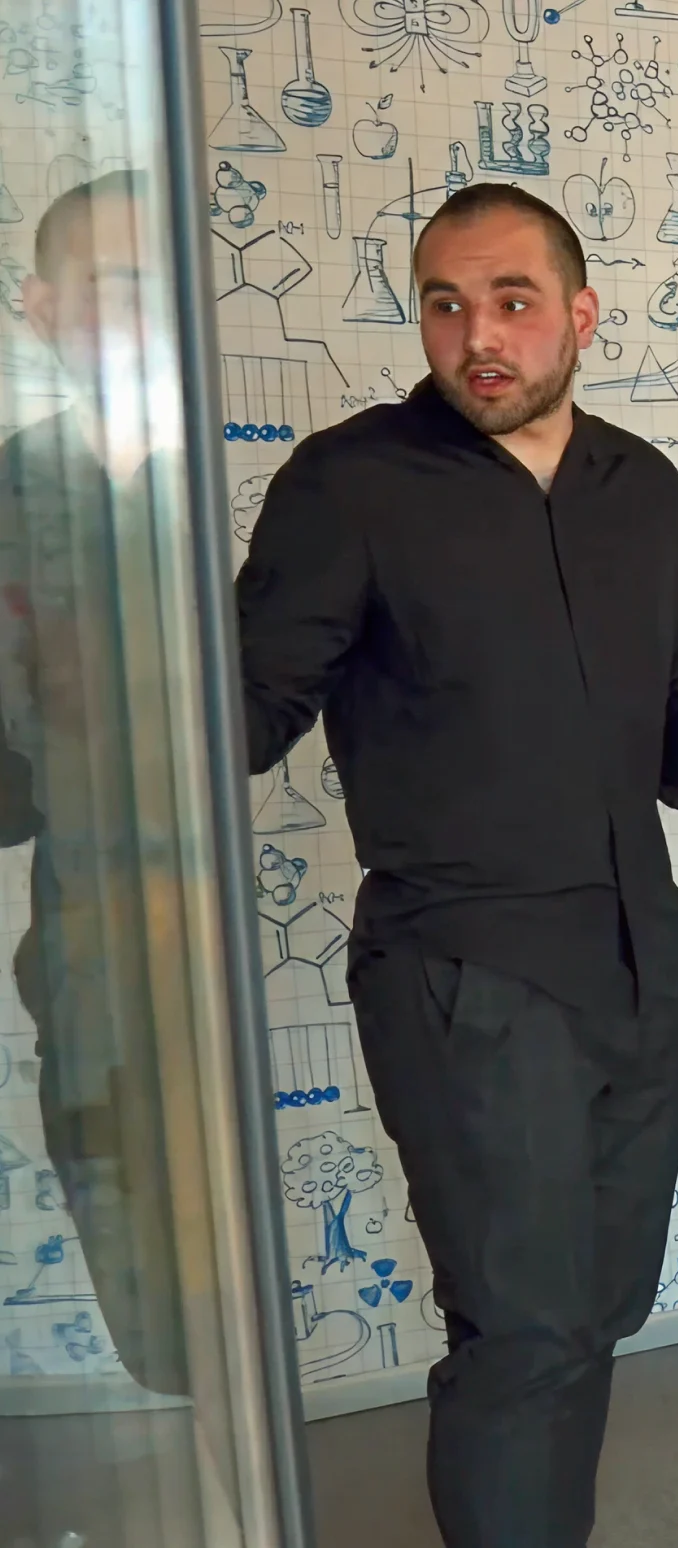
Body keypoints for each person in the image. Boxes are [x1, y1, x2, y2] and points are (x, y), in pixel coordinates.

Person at [235, 184, 678, 1548]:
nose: (476, 334)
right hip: (466, 971)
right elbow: (243, 708)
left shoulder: (644, 492)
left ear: (579, 315)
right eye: (445, 304)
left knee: (599, 1308)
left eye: (511, 301)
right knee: (526, 1328)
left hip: (633, 961)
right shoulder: (349, 484)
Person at [0, 172, 188, 1422]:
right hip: (89, 942)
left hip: (227, 936)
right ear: (43, 307)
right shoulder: (11, 495)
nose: (140, 319)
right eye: (114, 289)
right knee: (147, 1275)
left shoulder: (234, 483)